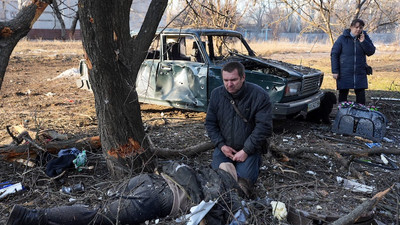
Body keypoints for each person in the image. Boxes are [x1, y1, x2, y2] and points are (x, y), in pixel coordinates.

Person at [7, 162, 246, 225]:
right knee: (99, 216)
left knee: (103, 205)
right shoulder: (228, 195)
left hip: (149, 179)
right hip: (162, 197)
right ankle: (30, 217)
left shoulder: (205, 172)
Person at [205, 61, 273, 192]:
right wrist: (221, 145)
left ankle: (254, 162)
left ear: (243, 77)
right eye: (225, 80)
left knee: (243, 184)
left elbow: (264, 127)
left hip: (249, 148)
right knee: (217, 181)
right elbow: (210, 123)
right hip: (225, 147)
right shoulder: (216, 94)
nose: (229, 84)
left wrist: (246, 150)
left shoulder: (259, 96)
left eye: (233, 80)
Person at [331, 18, 376, 105]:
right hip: (345, 72)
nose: (358, 29)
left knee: (361, 97)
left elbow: (371, 52)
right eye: (356, 27)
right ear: (351, 27)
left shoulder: (364, 38)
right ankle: (343, 114)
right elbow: (334, 54)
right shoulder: (342, 39)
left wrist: (363, 42)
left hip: (360, 73)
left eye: (361, 27)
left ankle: (360, 114)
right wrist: (335, 71)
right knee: (343, 96)